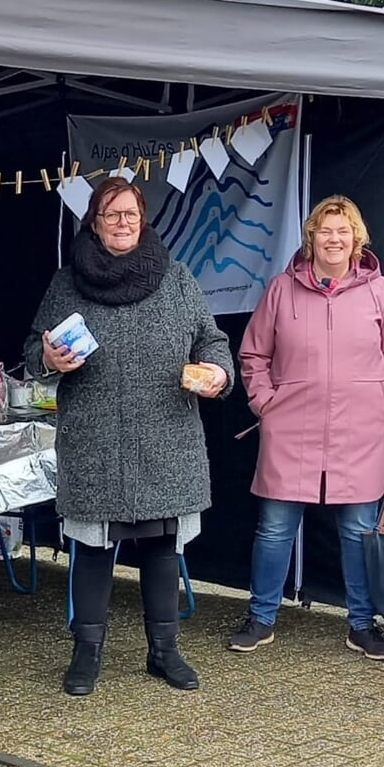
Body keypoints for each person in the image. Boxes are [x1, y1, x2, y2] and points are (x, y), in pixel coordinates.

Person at [24, 177, 234, 696]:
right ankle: (86, 652)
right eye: (111, 214)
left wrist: (218, 373)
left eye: (130, 214)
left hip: (167, 436)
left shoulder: (178, 279)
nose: (122, 223)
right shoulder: (67, 283)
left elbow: (212, 340)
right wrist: (47, 359)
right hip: (95, 440)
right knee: (93, 550)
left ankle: (164, 652)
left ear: (144, 220)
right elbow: (33, 350)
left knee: (163, 547)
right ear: (94, 222)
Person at [231, 195, 384, 659]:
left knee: (358, 530)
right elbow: (253, 355)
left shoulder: (380, 292)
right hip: (290, 428)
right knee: (274, 529)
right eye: (325, 230)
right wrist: (265, 403)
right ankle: (261, 617)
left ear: (357, 239)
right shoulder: (281, 289)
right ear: (311, 237)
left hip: (362, 432)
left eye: (343, 230)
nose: (334, 239)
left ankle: (362, 625)